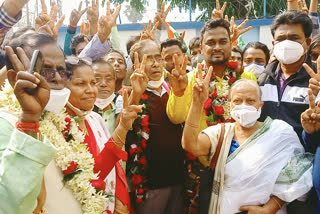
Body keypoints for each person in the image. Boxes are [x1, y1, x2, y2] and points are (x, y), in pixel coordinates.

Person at [183, 77, 313, 214]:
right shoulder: (221, 133)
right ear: (230, 105)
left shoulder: (280, 132)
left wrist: (270, 208)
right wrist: (197, 104)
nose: (243, 105)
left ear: (260, 104)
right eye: (237, 101)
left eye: (250, 101)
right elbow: (191, 145)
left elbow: (298, 173)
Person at [125, 39, 185, 214]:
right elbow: (127, 131)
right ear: (137, 62)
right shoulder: (128, 94)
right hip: (149, 184)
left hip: (177, 178)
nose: (156, 64)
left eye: (158, 58)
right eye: (149, 59)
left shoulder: (174, 87)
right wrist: (136, 94)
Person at [0, 41, 56, 214]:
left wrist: (31, 118)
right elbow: (10, 205)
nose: (56, 77)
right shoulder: (3, 124)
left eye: (63, 70)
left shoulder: (62, 121)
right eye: (45, 69)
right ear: (12, 78)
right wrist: (29, 119)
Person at [259, 10, 317, 143]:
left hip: (305, 156)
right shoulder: (263, 79)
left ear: (307, 43)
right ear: (273, 44)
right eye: (280, 39)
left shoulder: (315, 79)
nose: (286, 44)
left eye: (294, 38)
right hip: (266, 154)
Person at [92, 58, 117, 133]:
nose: (103, 84)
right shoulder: (82, 113)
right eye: (97, 79)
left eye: (109, 79)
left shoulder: (120, 109)